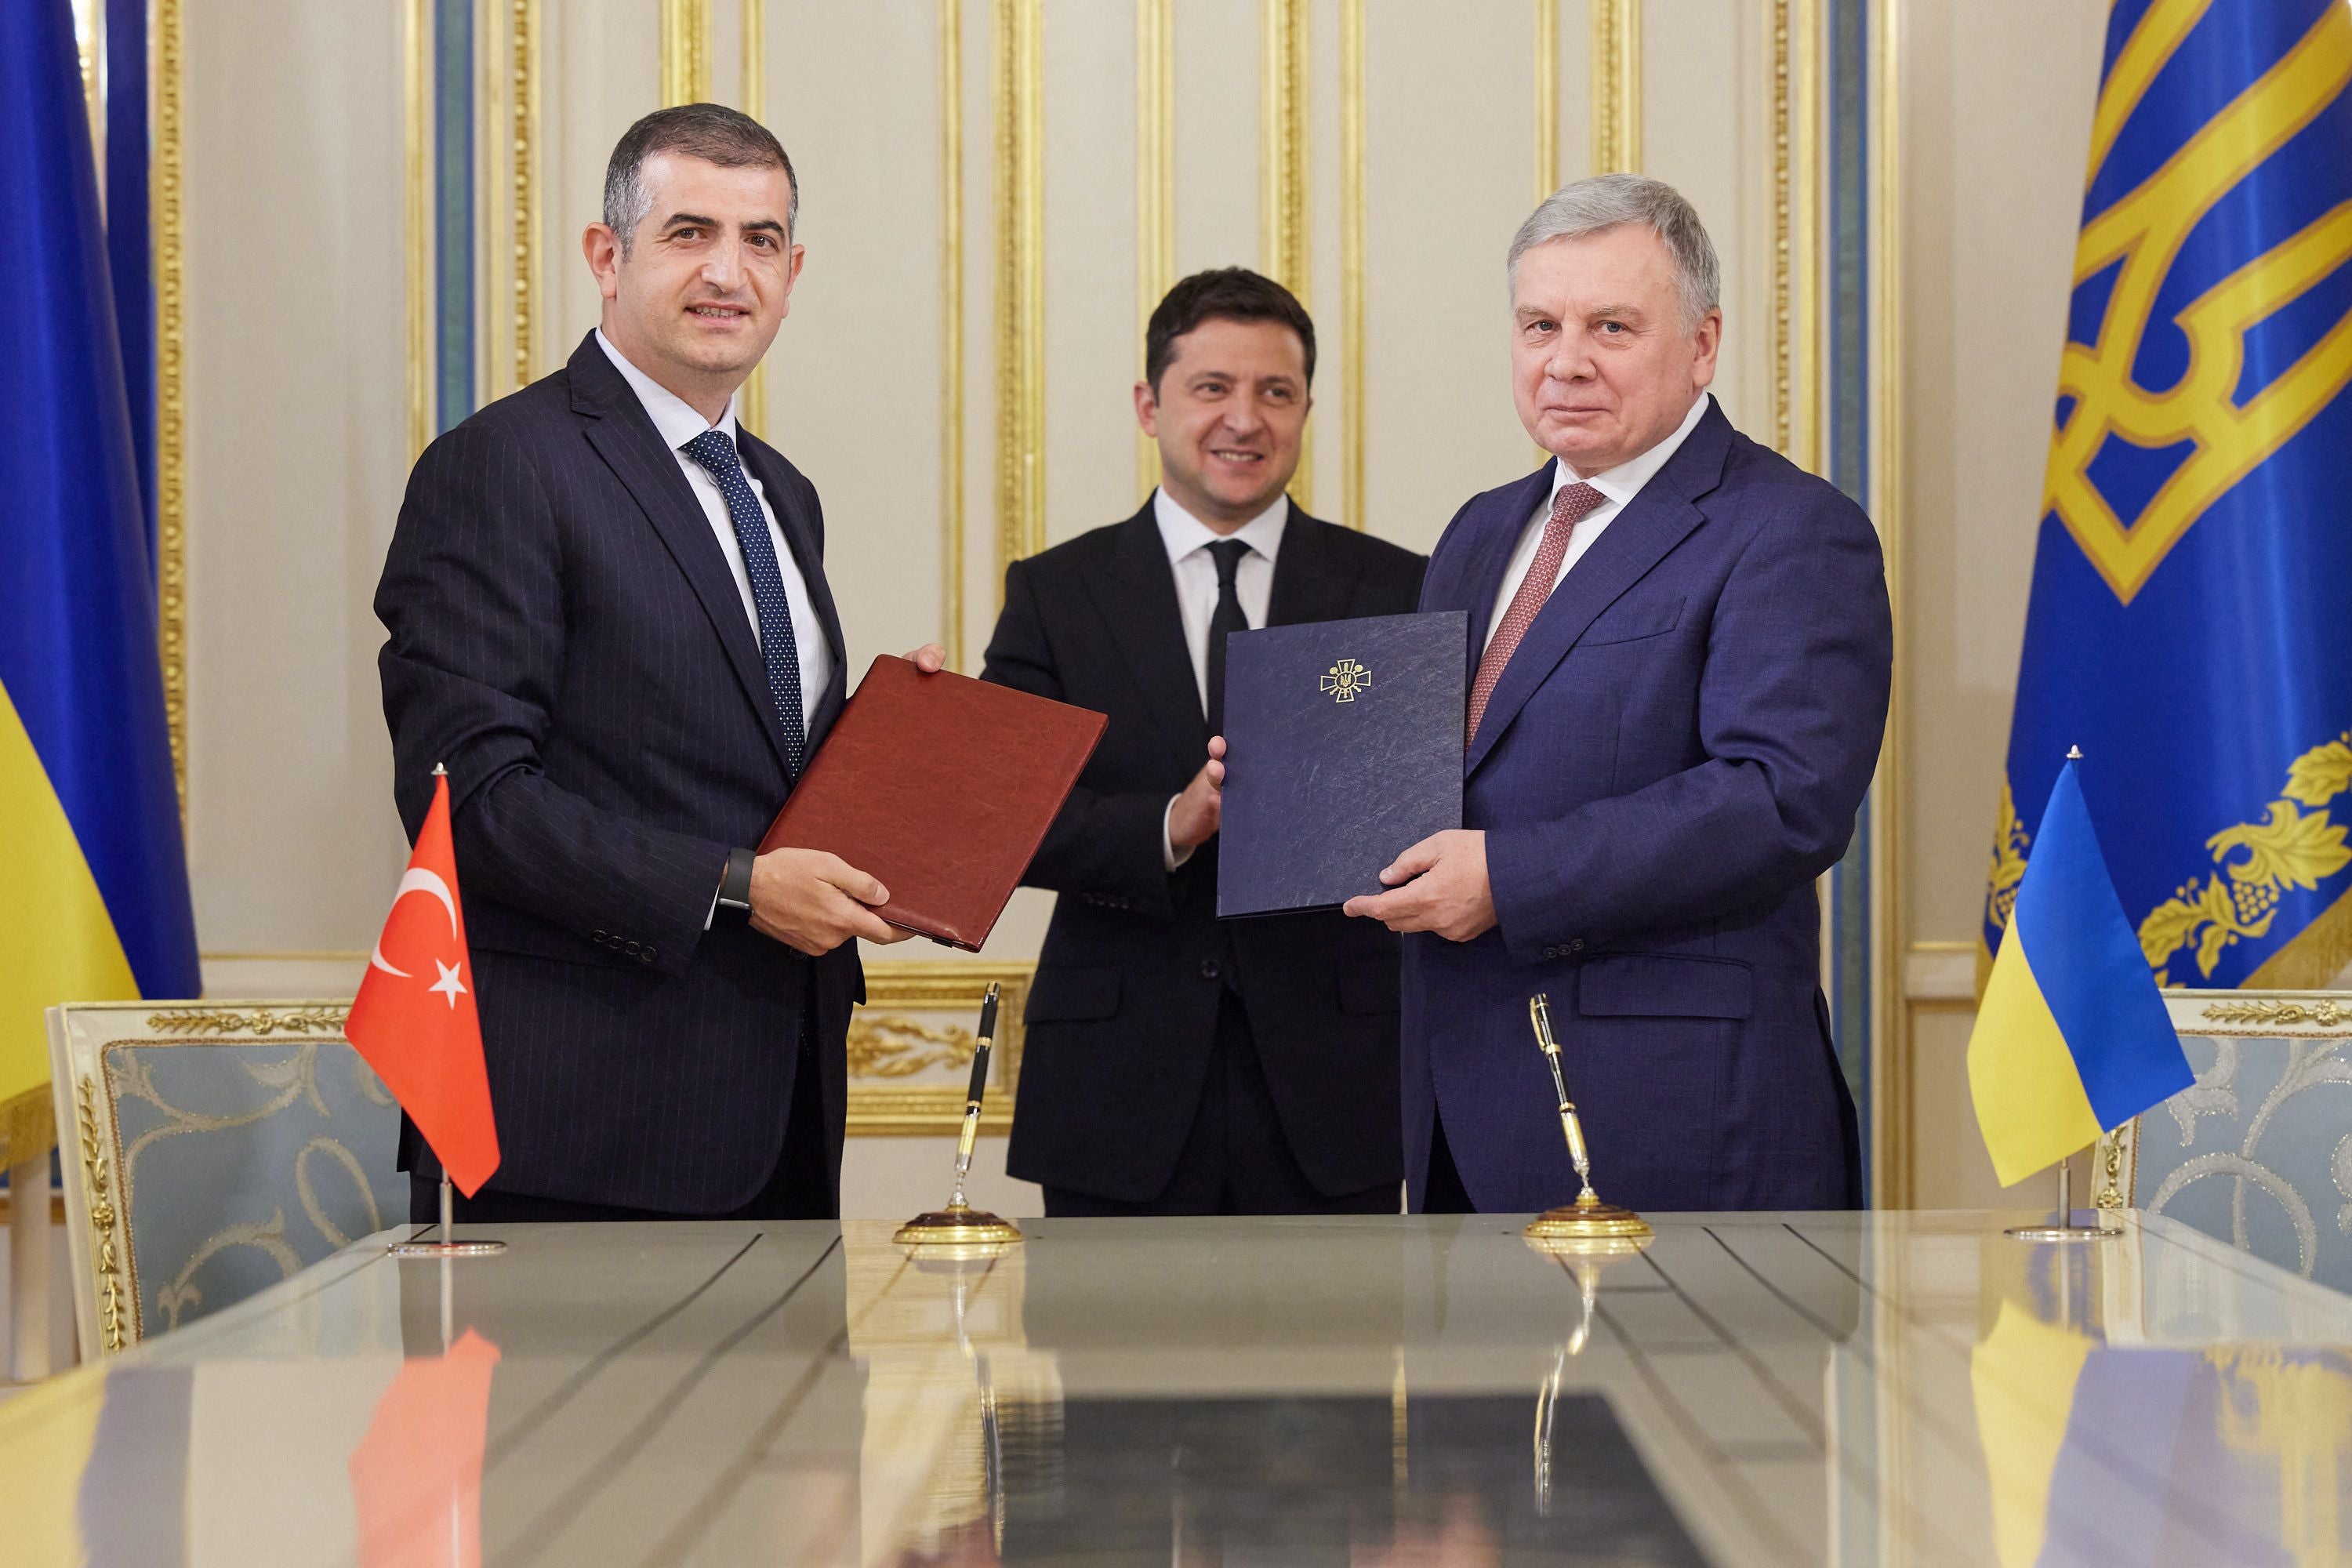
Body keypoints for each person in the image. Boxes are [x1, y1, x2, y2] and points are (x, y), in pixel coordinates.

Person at [375, 103, 941, 1222]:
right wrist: (736, 888)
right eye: (689, 233)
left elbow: (747, 767)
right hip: (580, 1129)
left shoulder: (782, 492)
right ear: (606, 255)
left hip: (784, 1105)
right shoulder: (502, 467)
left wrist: (892, 769)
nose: (729, 272)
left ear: (793, 270)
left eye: (761, 241)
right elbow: (470, 802)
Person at [1345, 176, 1892, 1214]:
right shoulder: (1478, 530)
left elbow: (1783, 797)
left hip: (1676, 1121)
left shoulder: (1789, 529)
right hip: (1462, 1111)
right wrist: (1305, 786)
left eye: (1611, 326)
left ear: (1702, 344)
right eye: (1539, 324)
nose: (1566, 360)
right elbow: (1439, 769)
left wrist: (1511, 875)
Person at [982, 268, 1426, 1215]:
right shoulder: (1057, 595)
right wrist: (1173, 824)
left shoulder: (1396, 589)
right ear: (1150, 404)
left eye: (1276, 392)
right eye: (1212, 388)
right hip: (1116, 1087)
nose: (1246, 419)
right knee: (1113, 1367)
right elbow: (1006, 818)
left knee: (1334, 1366)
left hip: (1336, 1084)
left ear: (1307, 407)